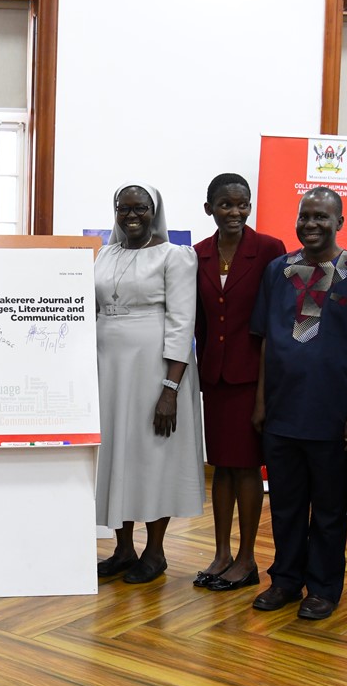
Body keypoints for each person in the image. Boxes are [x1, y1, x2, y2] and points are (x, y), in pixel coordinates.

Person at [251, 188, 347, 619]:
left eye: (322, 216)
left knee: (328, 508)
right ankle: (285, 580)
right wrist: (260, 402)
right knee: (285, 505)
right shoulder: (277, 271)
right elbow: (268, 340)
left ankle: (323, 588)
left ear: (339, 222)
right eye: (305, 215)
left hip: (332, 414)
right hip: (282, 411)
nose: (311, 224)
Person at [93, 184, 205, 584]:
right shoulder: (105, 254)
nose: (132, 215)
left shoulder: (175, 256)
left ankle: (155, 553)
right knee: (116, 455)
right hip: (109, 371)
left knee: (153, 457)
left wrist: (170, 389)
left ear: (154, 211)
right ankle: (123, 549)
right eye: (124, 208)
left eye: (141, 207)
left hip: (155, 373)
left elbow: (181, 323)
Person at [192, 174, 286, 591]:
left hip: (253, 377)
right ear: (209, 207)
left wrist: (268, 388)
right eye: (225, 204)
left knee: (247, 467)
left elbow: (276, 318)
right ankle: (220, 553)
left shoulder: (268, 250)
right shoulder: (196, 254)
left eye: (242, 204)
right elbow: (197, 320)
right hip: (214, 378)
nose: (235, 212)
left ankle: (247, 559)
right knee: (221, 469)